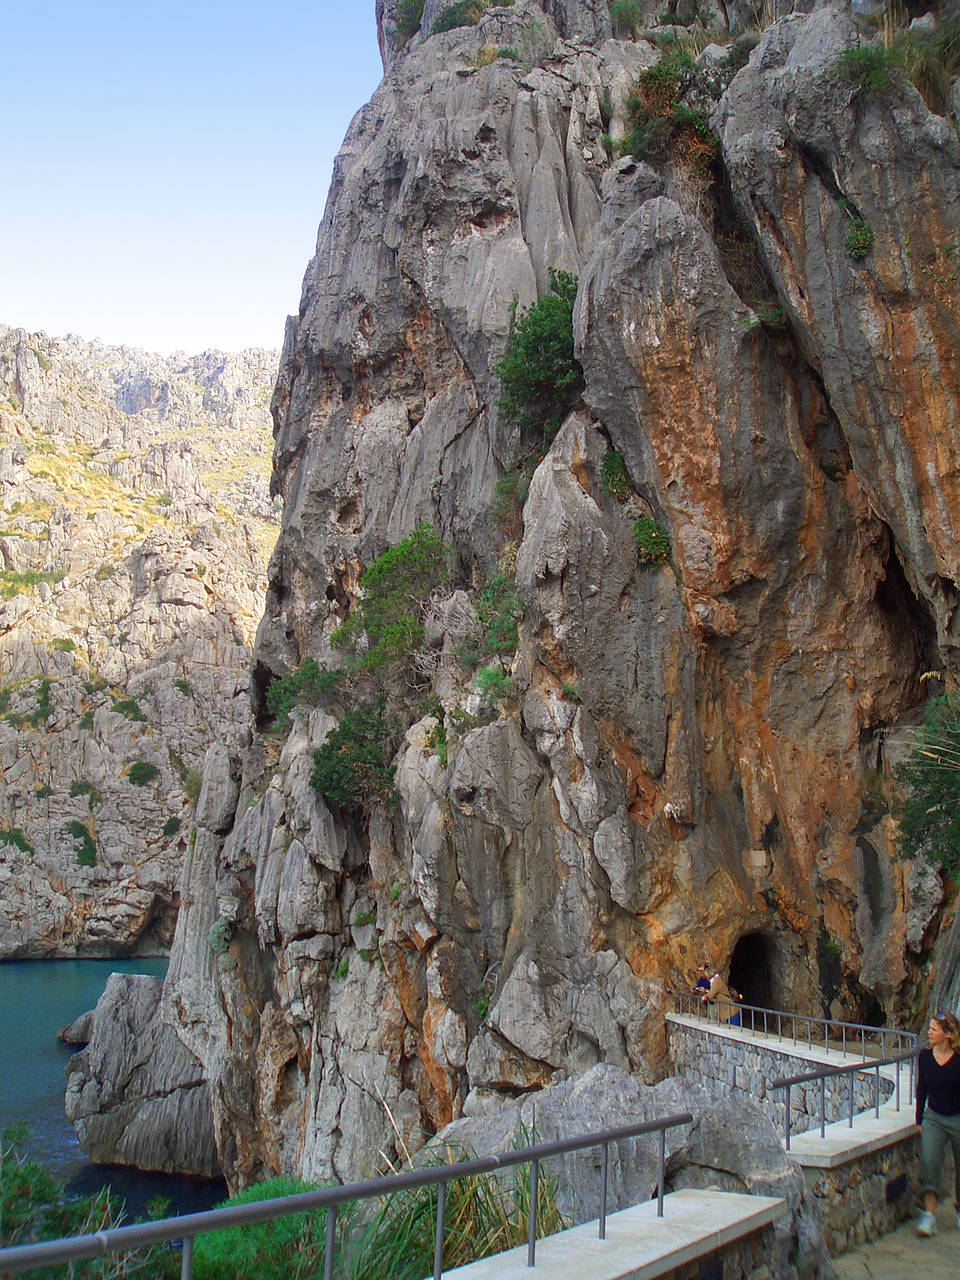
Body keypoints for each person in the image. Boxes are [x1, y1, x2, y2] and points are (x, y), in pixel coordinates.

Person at [915, 1010, 960, 1237]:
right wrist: (919, 1119)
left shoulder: (959, 1059)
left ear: (948, 1034)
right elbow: (921, 1088)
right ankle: (929, 1216)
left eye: (934, 1029)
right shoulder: (924, 1057)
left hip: (957, 1117)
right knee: (930, 1163)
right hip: (933, 1116)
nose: (930, 1033)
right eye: (930, 1028)